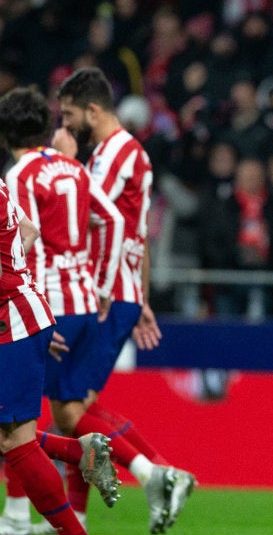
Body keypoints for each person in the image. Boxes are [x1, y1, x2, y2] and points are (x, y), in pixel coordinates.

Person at [55, 67, 195, 534]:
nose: (67, 123)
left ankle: (156, 474)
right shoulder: (122, 154)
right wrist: (142, 293)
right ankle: (79, 517)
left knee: (73, 411)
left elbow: (105, 221)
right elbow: (138, 232)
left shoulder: (114, 155)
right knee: (71, 410)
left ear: (93, 110)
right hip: (118, 289)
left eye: (71, 113)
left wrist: (107, 289)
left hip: (103, 293)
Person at [0, 87, 124, 535]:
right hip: (27, 311)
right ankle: (80, 452)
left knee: (15, 442)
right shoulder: (9, 178)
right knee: (13, 438)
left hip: (12, 322)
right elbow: (28, 231)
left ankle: (49, 521)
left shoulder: (20, 174)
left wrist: (19, 299)